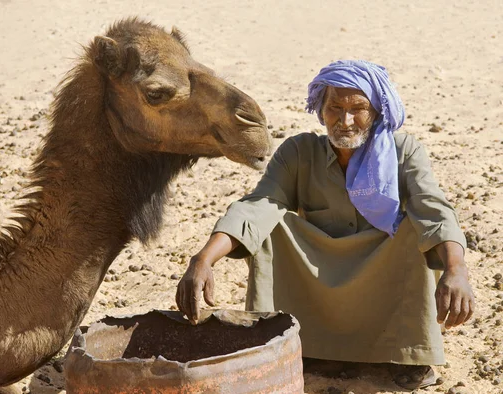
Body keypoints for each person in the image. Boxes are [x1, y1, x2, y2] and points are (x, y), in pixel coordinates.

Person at [175, 60, 475, 390]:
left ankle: (408, 355)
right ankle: (286, 342)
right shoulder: (298, 153)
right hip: (317, 278)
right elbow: (256, 207)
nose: (345, 121)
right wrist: (204, 258)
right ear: (321, 109)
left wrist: (456, 267)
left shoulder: (404, 152)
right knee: (271, 224)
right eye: (335, 107)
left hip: (382, 273)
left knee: (416, 229)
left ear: (376, 111)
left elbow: (434, 209)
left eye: (358, 109)